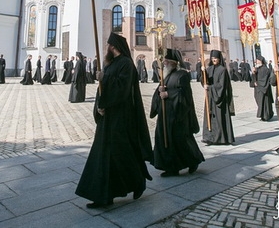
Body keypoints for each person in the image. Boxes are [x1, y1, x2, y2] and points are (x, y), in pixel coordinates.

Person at [75, 32, 153, 208]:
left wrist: (105, 78)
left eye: (108, 45)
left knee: (120, 152)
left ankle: (137, 180)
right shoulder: (111, 64)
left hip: (121, 116)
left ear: (113, 46)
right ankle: (105, 194)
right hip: (108, 115)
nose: (106, 48)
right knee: (104, 155)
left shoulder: (126, 64)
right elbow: (104, 89)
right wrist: (100, 106)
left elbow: (122, 89)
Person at [150, 48, 204, 177]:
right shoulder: (165, 76)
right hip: (165, 114)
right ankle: (170, 167)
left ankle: (193, 161)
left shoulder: (182, 75)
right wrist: (159, 90)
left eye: (166, 61)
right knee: (164, 139)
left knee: (180, 141)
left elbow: (185, 94)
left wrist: (168, 93)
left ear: (173, 62)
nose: (164, 63)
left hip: (177, 114)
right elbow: (159, 94)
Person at [202, 50, 235, 145]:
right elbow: (205, 81)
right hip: (210, 97)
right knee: (209, 117)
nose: (214, 60)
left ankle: (221, 138)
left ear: (219, 59)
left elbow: (222, 86)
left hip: (219, 98)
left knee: (219, 118)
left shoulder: (222, 70)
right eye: (212, 58)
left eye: (215, 58)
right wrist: (203, 72)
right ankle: (209, 137)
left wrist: (210, 87)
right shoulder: (209, 69)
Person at [251, 56, 274, 121]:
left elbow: (265, 79)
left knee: (264, 102)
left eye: (258, 60)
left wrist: (258, 83)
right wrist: (253, 73)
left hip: (264, 88)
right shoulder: (257, 69)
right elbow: (253, 78)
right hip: (258, 88)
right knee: (259, 101)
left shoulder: (265, 69)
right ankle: (262, 115)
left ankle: (266, 116)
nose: (257, 61)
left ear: (261, 61)